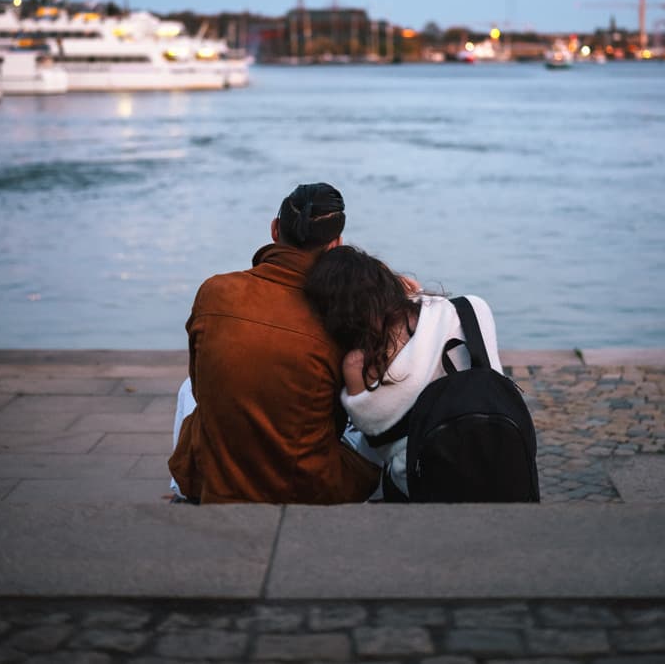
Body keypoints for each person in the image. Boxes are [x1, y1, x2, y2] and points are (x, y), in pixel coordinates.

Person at [168, 183, 380, 504]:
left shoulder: (215, 291)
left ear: (274, 229)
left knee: (189, 388)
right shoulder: (340, 309)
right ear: (335, 245)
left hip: (214, 480)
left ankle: (184, 488)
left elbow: (201, 388)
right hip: (308, 488)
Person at [304, 245, 503, 500]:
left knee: (357, 445)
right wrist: (413, 294)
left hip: (423, 485)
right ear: (387, 281)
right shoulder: (471, 311)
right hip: (498, 456)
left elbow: (377, 440)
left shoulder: (359, 366)